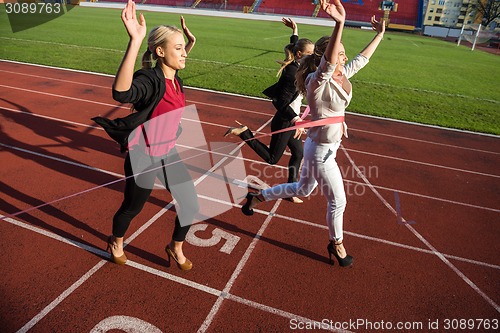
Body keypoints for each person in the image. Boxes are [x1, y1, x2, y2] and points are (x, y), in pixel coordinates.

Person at [242, 0, 385, 267]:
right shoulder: (316, 81)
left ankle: (257, 196)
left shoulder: (343, 73)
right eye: (340, 53)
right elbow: (330, 62)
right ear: (326, 57)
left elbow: (361, 60)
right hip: (321, 154)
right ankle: (337, 244)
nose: (344, 57)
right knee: (338, 201)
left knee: (302, 189)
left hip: (322, 146)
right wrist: (339, 23)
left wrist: (379, 34)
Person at [92, 0, 199, 270]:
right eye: (179, 49)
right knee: (132, 207)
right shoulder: (150, 80)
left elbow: (178, 58)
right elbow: (122, 93)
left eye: (184, 49)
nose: (185, 53)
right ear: (160, 52)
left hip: (167, 152)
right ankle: (116, 241)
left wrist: (190, 42)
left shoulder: (177, 78)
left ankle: (175, 246)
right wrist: (135, 41)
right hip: (144, 155)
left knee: (190, 203)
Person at [224, 18, 314, 204]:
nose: (312, 57)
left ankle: (291, 190)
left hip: (291, 120)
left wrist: (295, 30)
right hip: (285, 119)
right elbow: (280, 102)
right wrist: (296, 119)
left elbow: (293, 46)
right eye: (309, 54)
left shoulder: (297, 65)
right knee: (273, 158)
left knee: (298, 154)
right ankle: (245, 133)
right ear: (299, 55)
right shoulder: (291, 73)